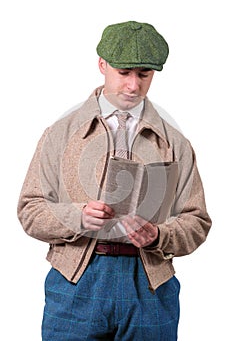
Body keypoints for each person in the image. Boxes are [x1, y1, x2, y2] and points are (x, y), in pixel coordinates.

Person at [17, 20, 212, 340]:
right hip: (76, 282)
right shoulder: (60, 135)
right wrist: (77, 216)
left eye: (144, 74)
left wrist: (158, 235)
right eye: (124, 73)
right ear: (102, 65)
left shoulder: (176, 143)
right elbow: (30, 210)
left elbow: (197, 221)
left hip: (149, 286)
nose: (134, 85)